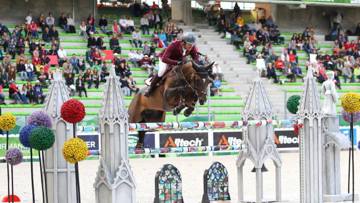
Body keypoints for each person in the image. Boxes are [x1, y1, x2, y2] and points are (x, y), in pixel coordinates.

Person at [144, 32, 199, 97]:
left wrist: (195, 65)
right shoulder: (174, 44)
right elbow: (165, 59)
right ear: (183, 42)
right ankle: (150, 88)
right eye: (189, 44)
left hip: (178, 61)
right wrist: (176, 63)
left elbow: (196, 58)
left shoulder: (192, 47)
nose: (191, 46)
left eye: (192, 45)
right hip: (164, 59)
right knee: (162, 70)